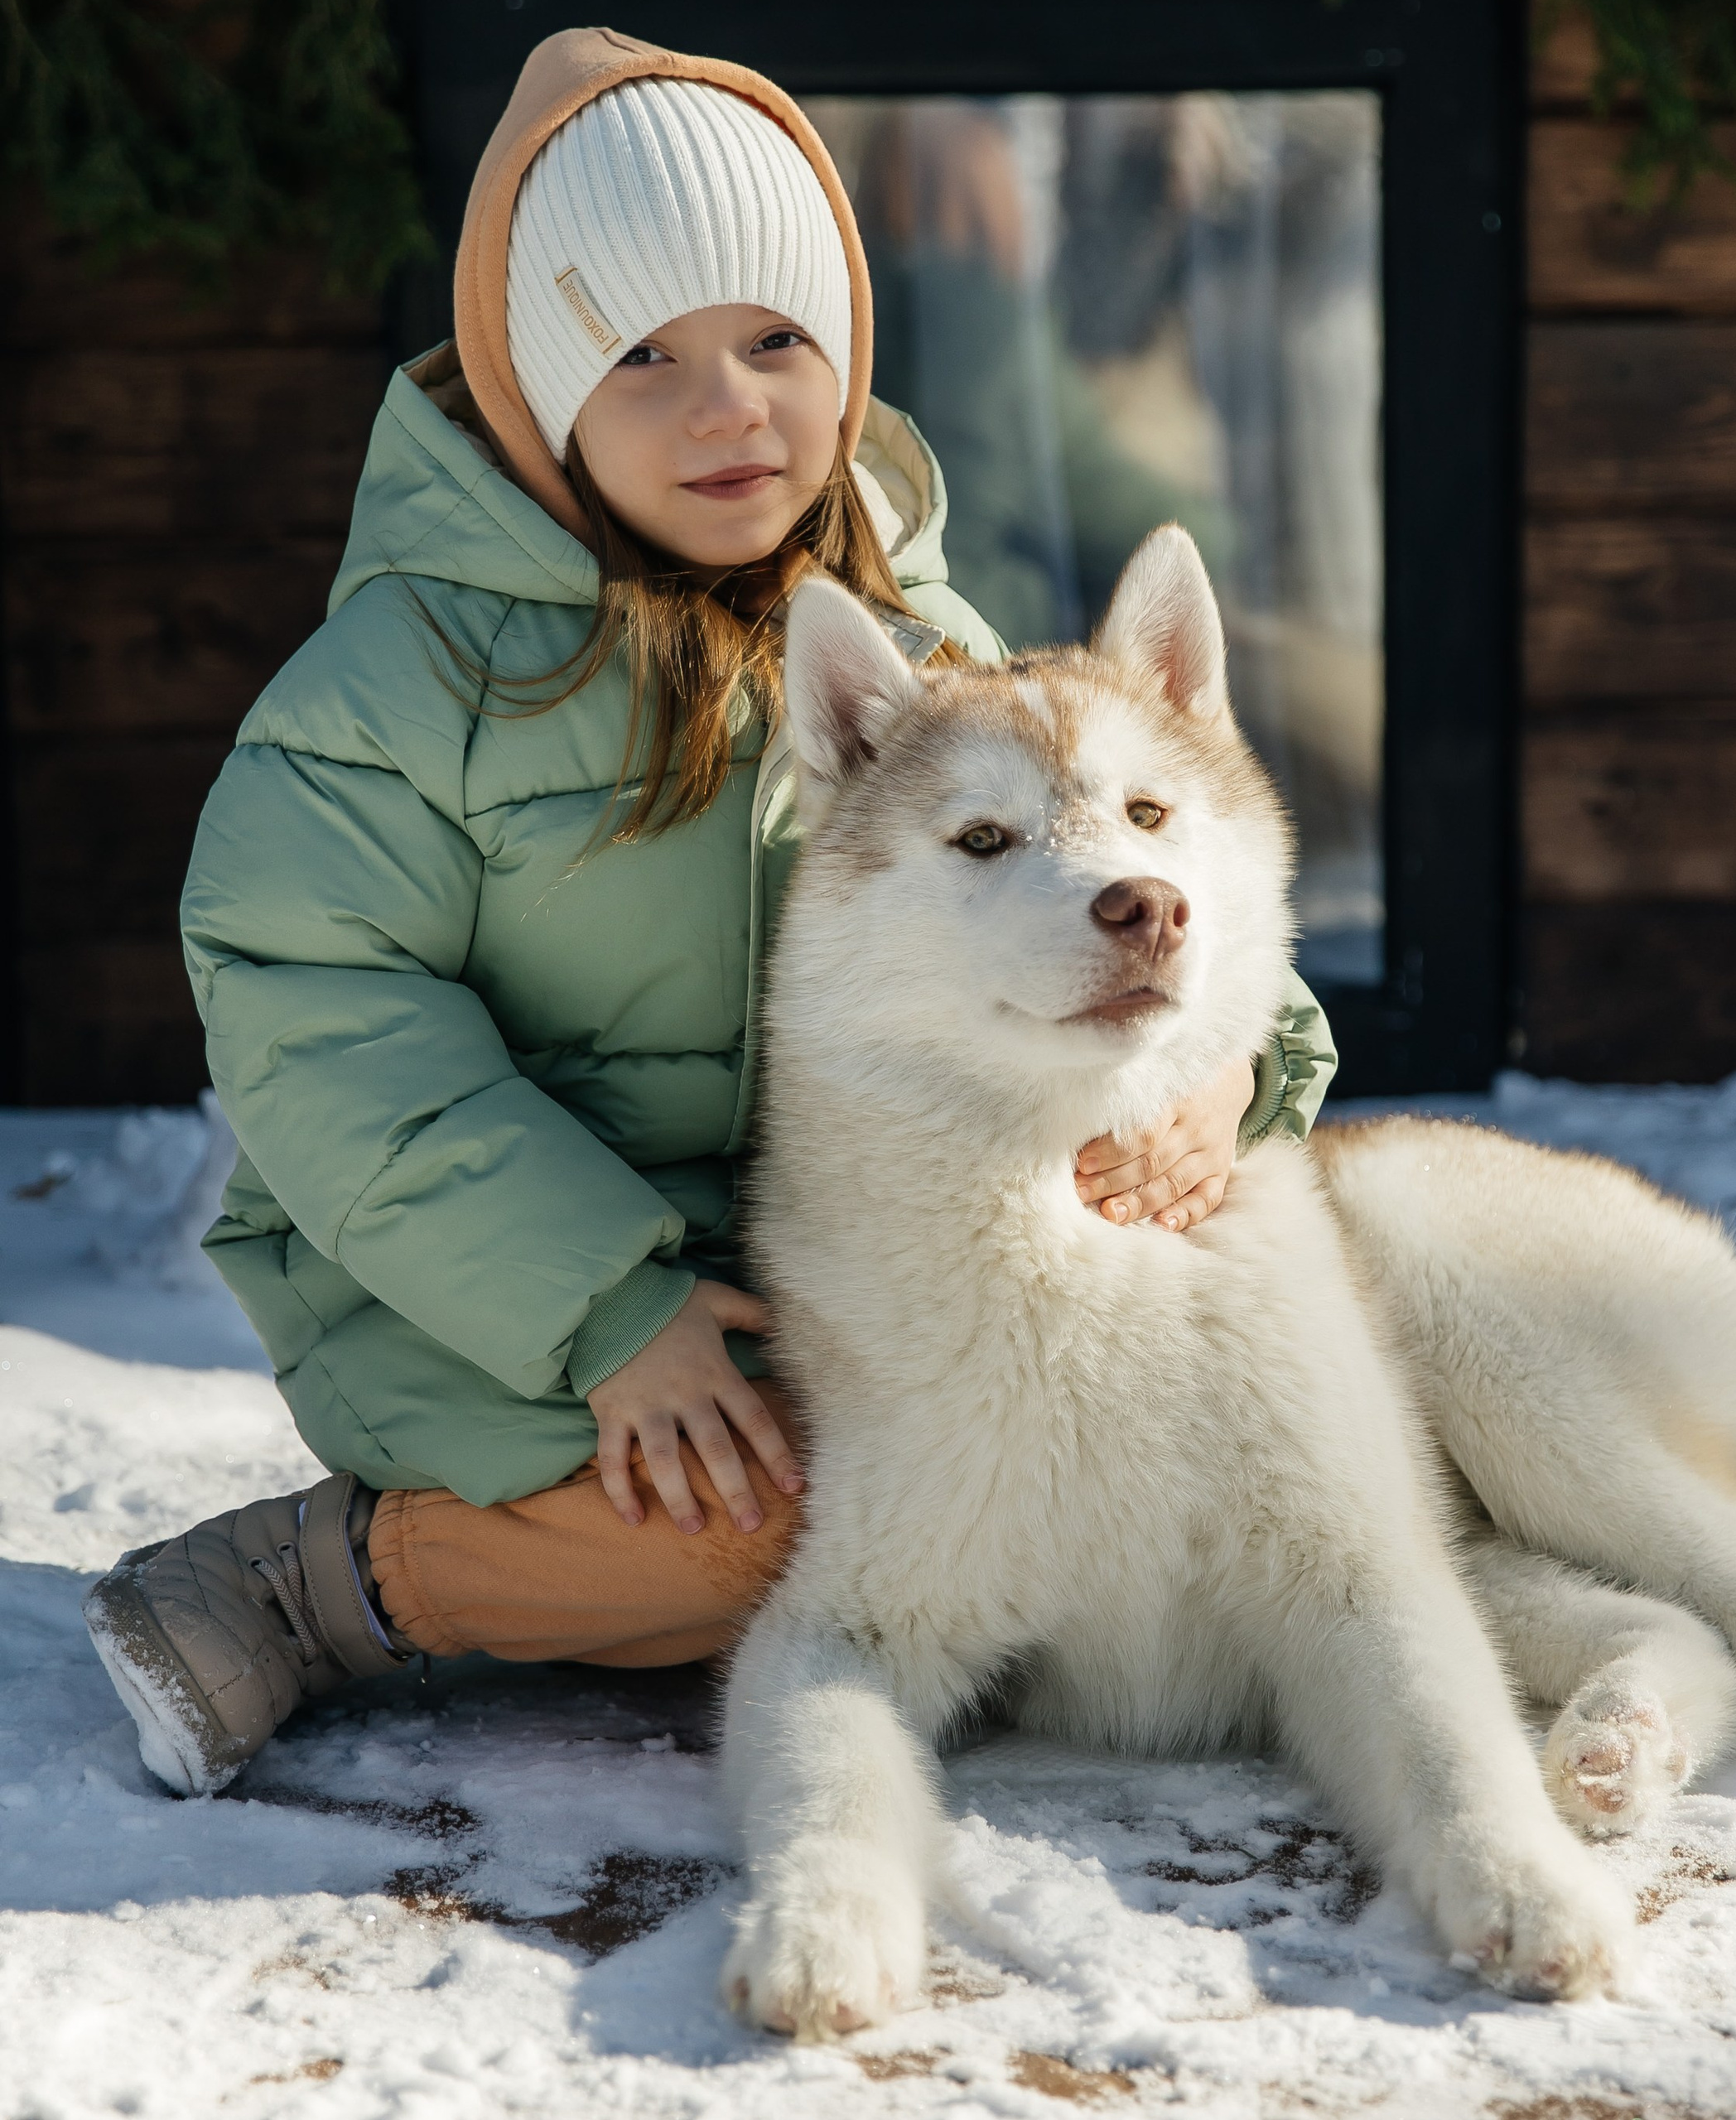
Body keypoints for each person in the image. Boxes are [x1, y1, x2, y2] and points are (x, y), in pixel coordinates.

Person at [81, 28, 1338, 1800]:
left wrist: (1234, 1076)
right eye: (642, 358)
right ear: (539, 392)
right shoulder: (403, 681)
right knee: (760, 1530)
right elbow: (322, 1020)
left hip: (831, 1255)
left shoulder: (925, 641)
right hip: (489, 1286)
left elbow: (1134, 872)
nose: (727, 405)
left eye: (771, 338)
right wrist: (605, 1308)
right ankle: (321, 1580)